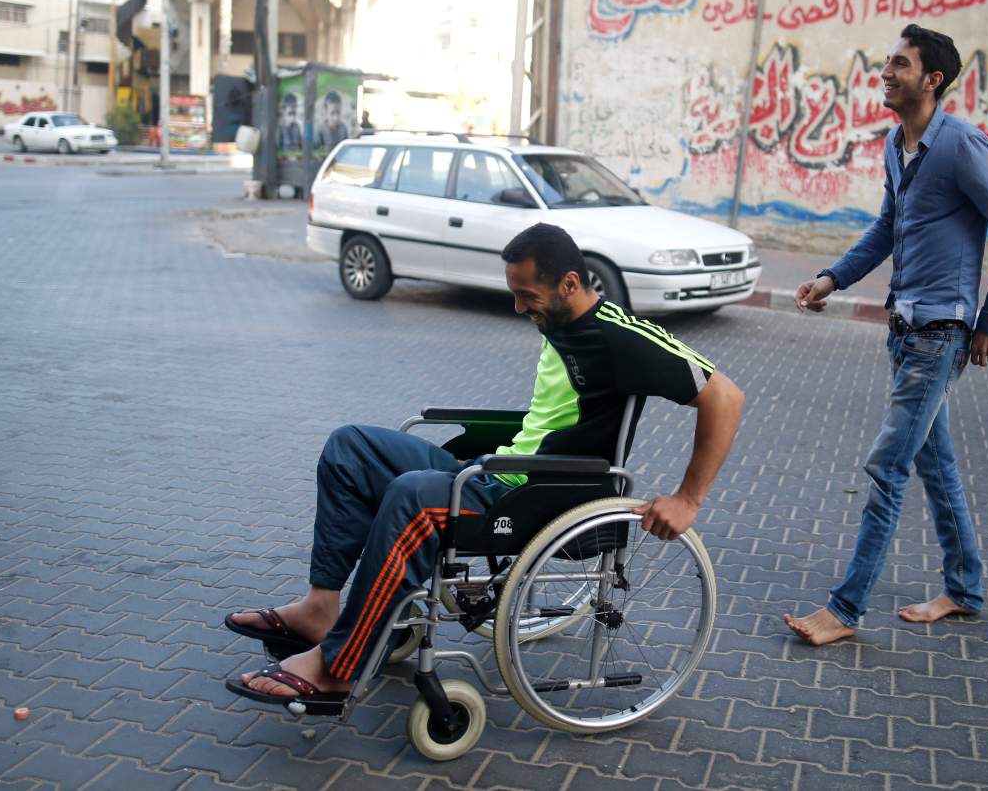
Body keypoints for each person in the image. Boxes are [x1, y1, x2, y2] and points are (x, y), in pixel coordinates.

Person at [225, 223, 744, 709]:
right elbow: (548, 417)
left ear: (568, 284)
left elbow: (725, 397)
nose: (518, 307)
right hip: (502, 470)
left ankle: (339, 667)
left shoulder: (620, 335)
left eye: (527, 295)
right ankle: (321, 608)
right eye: (514, 293)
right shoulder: (560, 319)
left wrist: (687, 498)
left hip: (539, 495)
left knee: (414, 498)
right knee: (350, 448)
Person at [783, 24, 988, 646]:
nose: (886, 73)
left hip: (939, 334)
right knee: (935, 463)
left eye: (900, 64)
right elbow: (887, 228)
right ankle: (965, 588)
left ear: (932, 79)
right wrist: (831, 278)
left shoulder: (963, 145)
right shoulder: (898, 145)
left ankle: (844, 609)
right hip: (905, 330)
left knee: (887, 467)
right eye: (887, 63)